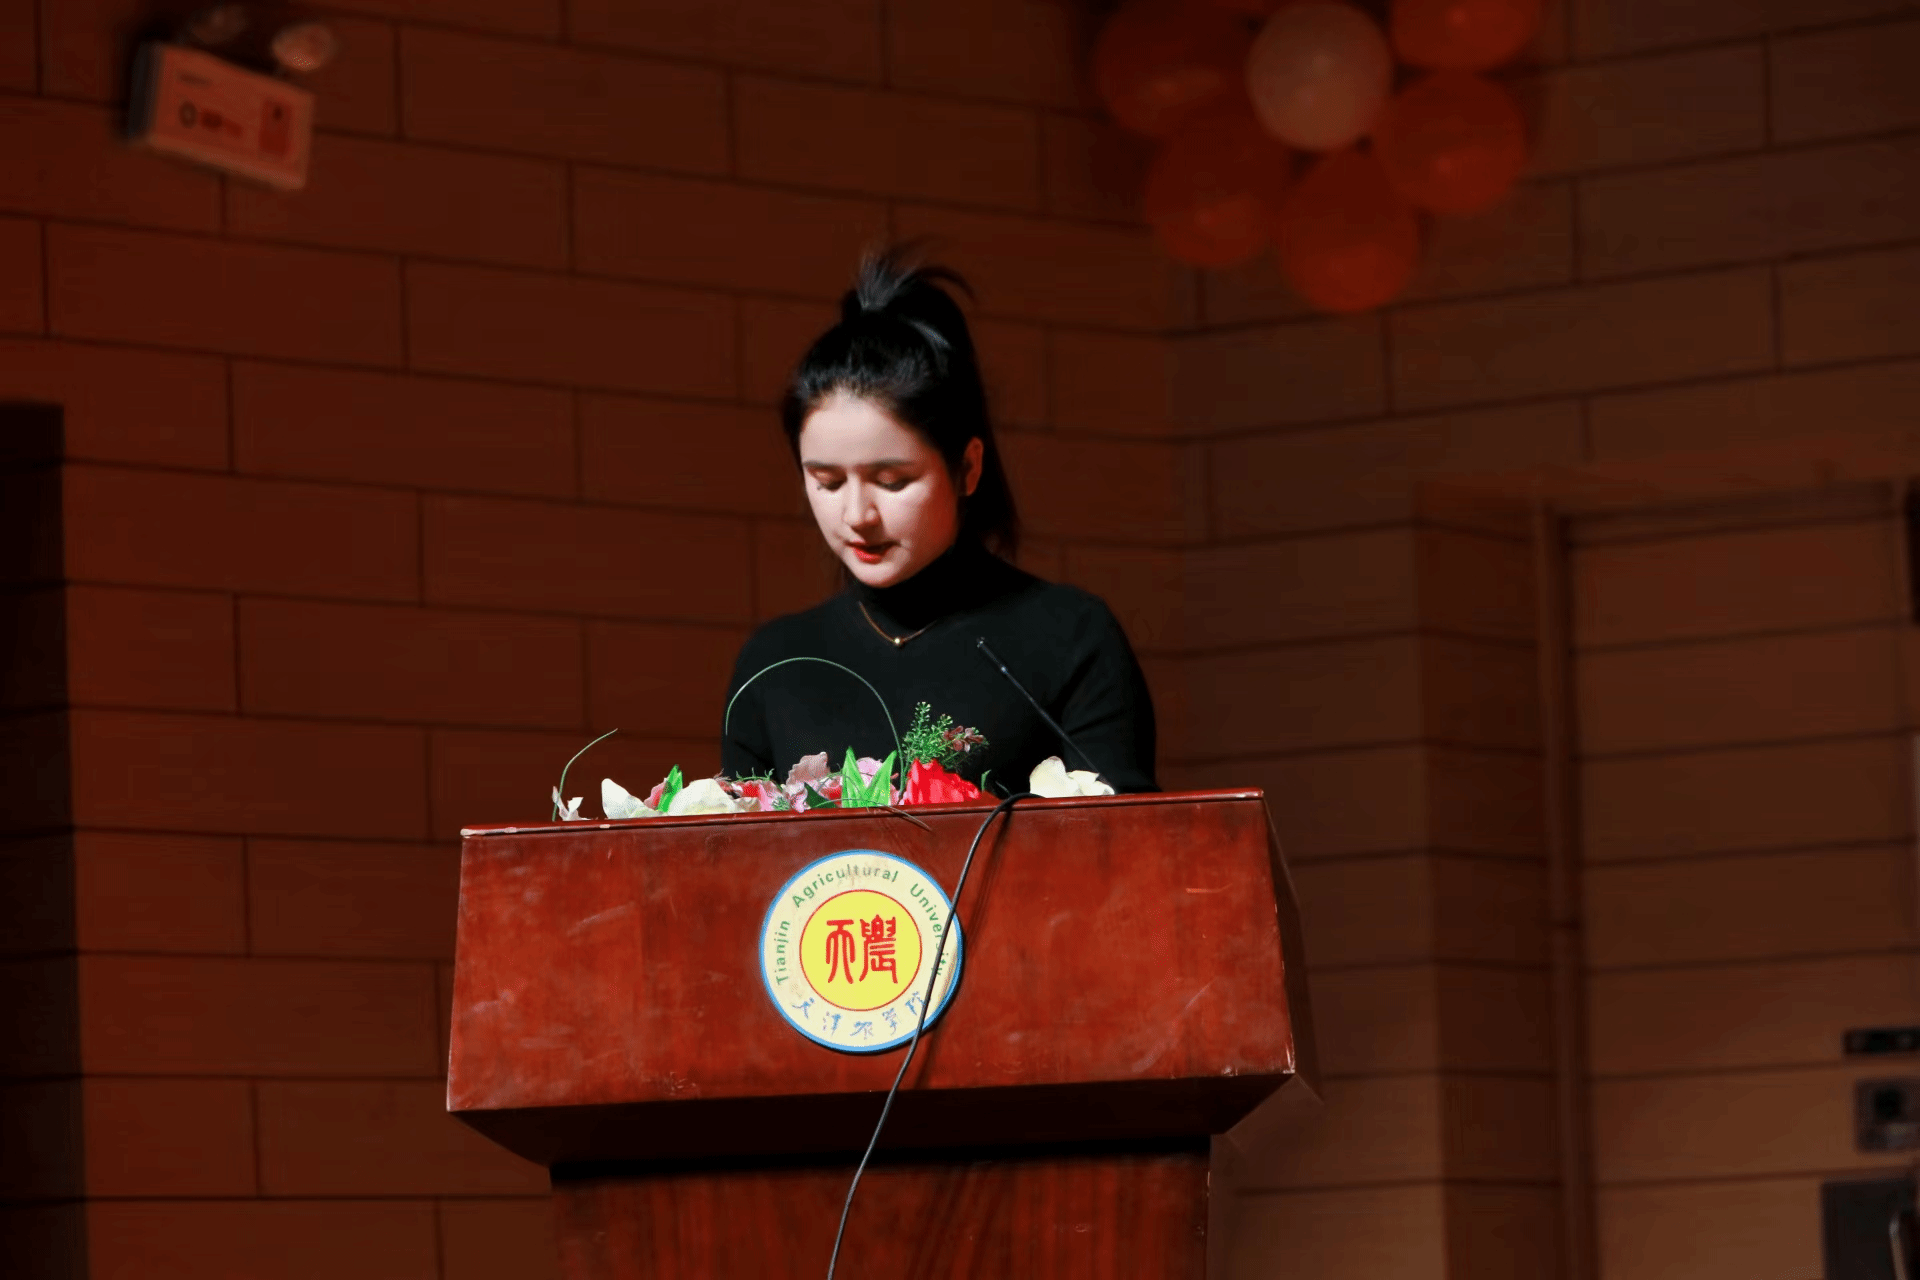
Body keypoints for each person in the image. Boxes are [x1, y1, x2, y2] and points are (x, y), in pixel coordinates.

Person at [720, 250, 1158, 795]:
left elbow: (1128, 837)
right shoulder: (774, 662)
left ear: (967, 467)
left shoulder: (1070, 638)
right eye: (827, 482)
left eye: (892, 480)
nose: (857, 515)